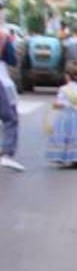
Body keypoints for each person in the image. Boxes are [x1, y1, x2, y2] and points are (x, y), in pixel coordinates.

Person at [0, 26, 22, 172]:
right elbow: (12, 60)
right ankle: (7, 153)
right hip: (2, 81)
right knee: (10, 118)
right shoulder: (3, 37)